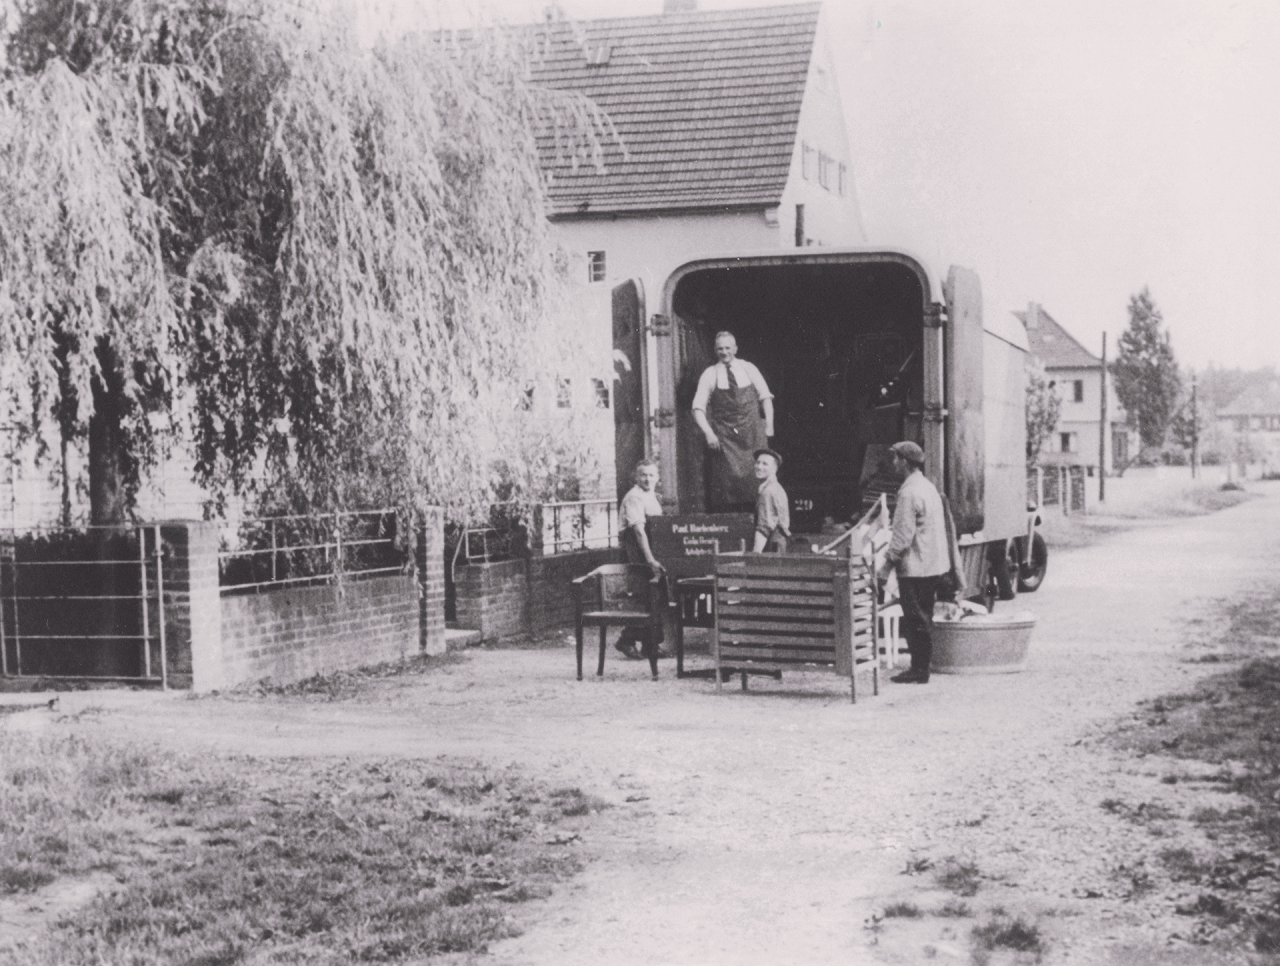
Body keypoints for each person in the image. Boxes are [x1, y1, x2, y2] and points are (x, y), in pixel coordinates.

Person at [875, 441, 949, 684]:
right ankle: (922, 666)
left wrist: (886, 567)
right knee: (924, 616)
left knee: (914, 619)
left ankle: (919, 669)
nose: (894, 463)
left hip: (915, 567)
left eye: (896, 458)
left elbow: (902, 536)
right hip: (932, 565)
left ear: (905, 462)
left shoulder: (908, 492)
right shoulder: (928, 487)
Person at [691, 331, 774, 511]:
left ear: (735, 348)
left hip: (752, 435)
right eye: (720, 348)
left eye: (728, 348)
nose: (724, 352)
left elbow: (765, 397)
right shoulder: (710, 374)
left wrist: (769, 426)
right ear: (715, 350)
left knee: (758, 483)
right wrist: (709, 433)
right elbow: (697, 408)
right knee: (726, 488)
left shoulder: (749, 368)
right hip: (726, 438)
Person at [615, 459, 667, 663]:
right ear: (636, 477)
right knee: (643, 597)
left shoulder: (651, 496)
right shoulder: (634, 497)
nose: (647, 478)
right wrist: (651, 559)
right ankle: (626, 640)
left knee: (654, 595)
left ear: (657, 477)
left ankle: (650, 645)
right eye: (643, 475)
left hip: (649, 548)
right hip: (636, 551)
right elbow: (638, 531)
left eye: (651, 475)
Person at [752, 448, 790, 553]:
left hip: (772, 546)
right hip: (777, 544)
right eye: (758, 462)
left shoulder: (768, 492)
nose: (759, 467)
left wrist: (754, 557)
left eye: (765, 464)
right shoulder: (775, 488)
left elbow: (764, 529)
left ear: (774, 469)